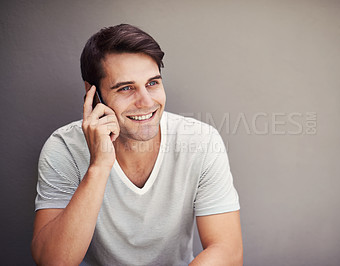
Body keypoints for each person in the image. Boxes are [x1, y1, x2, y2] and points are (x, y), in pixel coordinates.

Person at [31, 24, 242, 266]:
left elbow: (227, 250)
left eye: (152, 83)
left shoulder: (201, 141)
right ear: (93, 94)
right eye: (126, 88)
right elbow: (52, 261)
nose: (146, 101)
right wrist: (98, 167)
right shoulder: (64, 148)